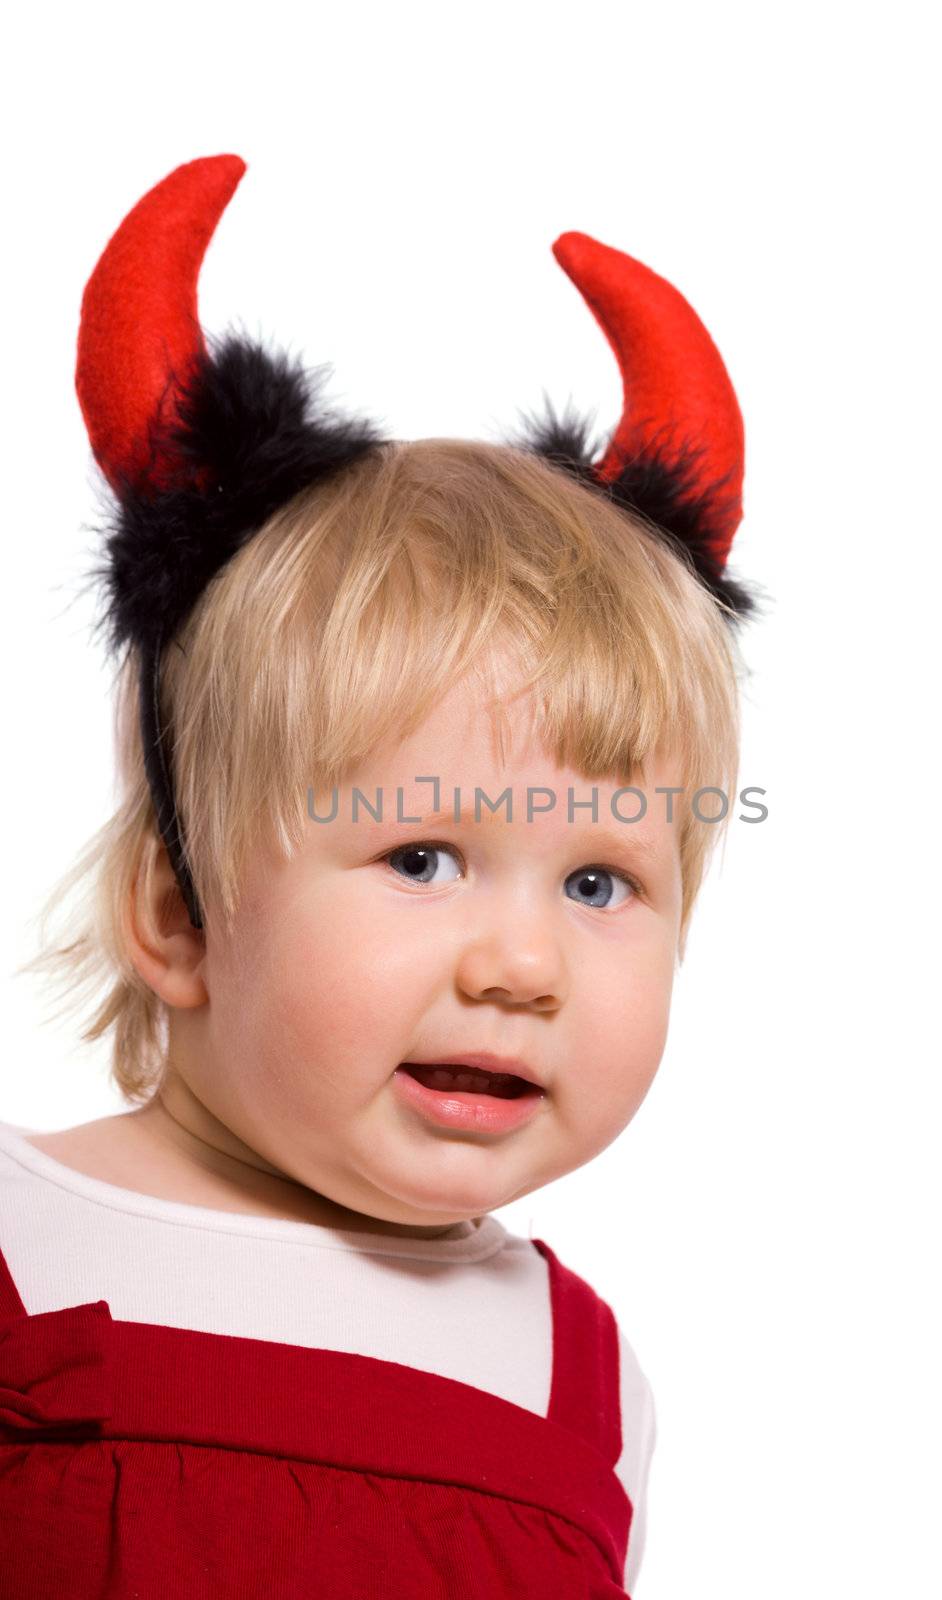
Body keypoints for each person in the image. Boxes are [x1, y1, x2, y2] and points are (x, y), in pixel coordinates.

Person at [0, 154, 757, 1598]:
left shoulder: (582, 1389)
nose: (521, 967)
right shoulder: (19, 1242)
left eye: (598, 884)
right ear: (179, 909)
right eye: (422, 856)